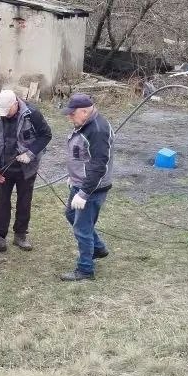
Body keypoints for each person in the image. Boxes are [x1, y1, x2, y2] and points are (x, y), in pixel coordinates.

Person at [0, 89, 52, 253]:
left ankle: (20, 235)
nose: (4, 115)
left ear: (15, 104)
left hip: (26, 168)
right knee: (0, 202)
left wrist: (30, 153)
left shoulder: (32, 114)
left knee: (24, 201)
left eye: (8, 111)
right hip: (3, 167)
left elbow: (46, 135)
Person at [60, 93, 114, 281]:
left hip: (91, 188)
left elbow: (99, 165)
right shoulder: (84, 124)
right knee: (71, 215)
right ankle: (98, 248)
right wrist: (72, 176)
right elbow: (82, 156)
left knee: (82, 228)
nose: (69, 117)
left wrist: (83, 193)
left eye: (72, 114)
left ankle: (85, 270)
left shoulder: (97, 130)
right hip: (80, 182)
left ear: (84, 111)